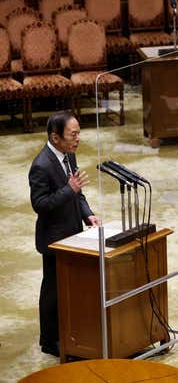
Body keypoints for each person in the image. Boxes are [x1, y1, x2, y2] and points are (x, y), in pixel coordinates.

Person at [29, 111, 99, 357]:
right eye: (73, 134)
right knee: (53, 291)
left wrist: (87, 215)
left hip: (72, 233)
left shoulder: (69, 155)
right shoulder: (40, 165)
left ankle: (70, 331)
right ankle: (49, 341)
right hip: (53, 238)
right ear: (55, 137)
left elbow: (78, 193)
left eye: (78, 133)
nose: (78, 138)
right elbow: (40, 204)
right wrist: (69, 190)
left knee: (71, 287)